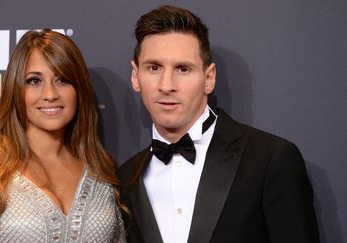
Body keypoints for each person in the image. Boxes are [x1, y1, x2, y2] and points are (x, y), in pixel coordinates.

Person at [119, 5, 320, 243]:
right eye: (154, 68)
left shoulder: (271, 160)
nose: (166, 85)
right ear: (135, 76)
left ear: (209, 78)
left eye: (183, 69)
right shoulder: (125, 177)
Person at [0, 29, 125, 242]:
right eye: (34, 81)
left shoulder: (101, 173)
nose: (50, 94)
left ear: (79, 89)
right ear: (16, 89)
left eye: (62, 79)